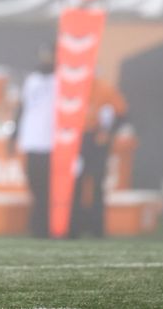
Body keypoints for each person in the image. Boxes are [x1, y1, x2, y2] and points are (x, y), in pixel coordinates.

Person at [69, 75, 128, 238]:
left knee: (96, 184)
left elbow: (121, 114)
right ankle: (74, 226)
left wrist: (108, 133)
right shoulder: (72, 88)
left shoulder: (104, 89)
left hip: (97, 142)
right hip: (76, 141)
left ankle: (96, 228)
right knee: (75, 184)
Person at [8, 42, 56, 238]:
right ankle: (38, 226)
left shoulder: (62, 79)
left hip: (53, 142)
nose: (46, 59)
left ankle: (49, 226)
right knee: (35, 186)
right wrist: (14, 135)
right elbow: (22, 108)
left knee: (49, 188)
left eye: (49, 55)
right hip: (33, 140)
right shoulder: (32, 80)